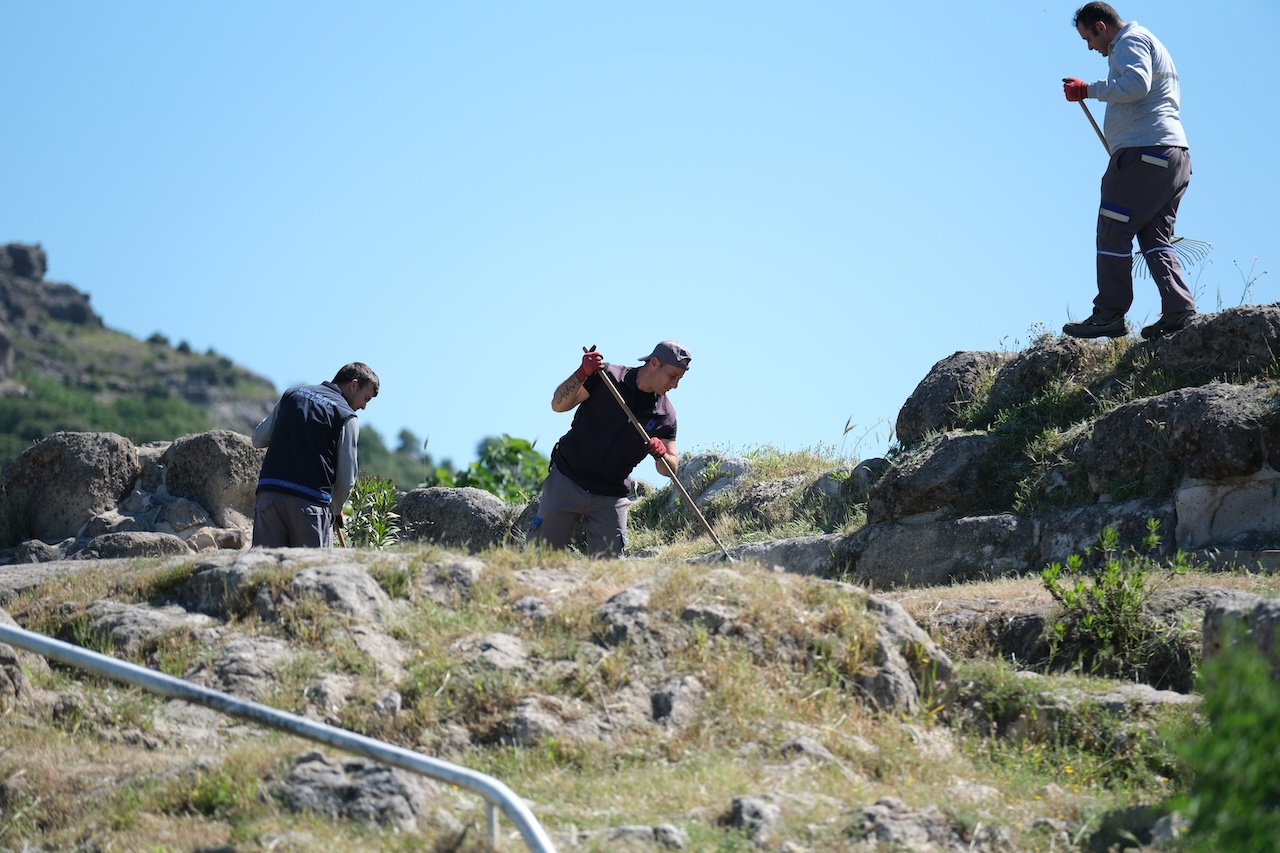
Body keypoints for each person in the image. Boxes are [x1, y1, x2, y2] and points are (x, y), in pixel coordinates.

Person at [1061, 2, 1195, 340]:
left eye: (1088, 38)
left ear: (1101, 27)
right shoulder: (1145, 40)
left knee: (1112, 229)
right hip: (1172, 156)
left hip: (1145, 154)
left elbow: (1136, 84)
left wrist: (1087, 90)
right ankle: (1179, 311)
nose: (1090, 47)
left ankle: (1109, 314)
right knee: (1154, 238)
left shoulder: (1129, 42)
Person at [527, 341, 689, 557]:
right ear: (654, 363)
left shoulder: (666, 417)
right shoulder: (607, 377)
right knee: (538, 555)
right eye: (672, 375)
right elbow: (558, 405)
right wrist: (582, 373)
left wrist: (661, 455)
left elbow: (671, 467)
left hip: (611, 497)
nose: (675, 385)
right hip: (567, 480)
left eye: (679, 378)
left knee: (611, 568)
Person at [251, 362, 380, 548]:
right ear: (354, 384)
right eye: (365, 398)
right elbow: (346, 480)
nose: (364, 406)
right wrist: (335, 509)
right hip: (310, 503)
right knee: (312, 572)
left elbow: (258, 439)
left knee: (264, 571)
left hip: (269, 496)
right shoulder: (346, 416)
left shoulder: (292, 394)